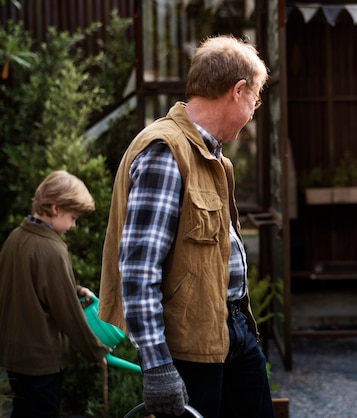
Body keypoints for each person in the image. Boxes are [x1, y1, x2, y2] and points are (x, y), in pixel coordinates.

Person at [98, 34, 275, 418]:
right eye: (255, 99)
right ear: (237, 90)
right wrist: (158, 365)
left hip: (232, 329)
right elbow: (138, 271)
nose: (253, 110)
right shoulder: (165, 150)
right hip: (188, 349)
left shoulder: (211, 155)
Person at [0, 170, 109, 418]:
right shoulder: (51, 249)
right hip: (41, 361)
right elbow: (68, 313)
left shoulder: (15, 238)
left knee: (21, 411)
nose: (73, 225)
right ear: (55, 208)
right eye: (73, 217)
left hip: (15, 355)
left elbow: (27, 287)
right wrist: (96, 351)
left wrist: (73, 290)